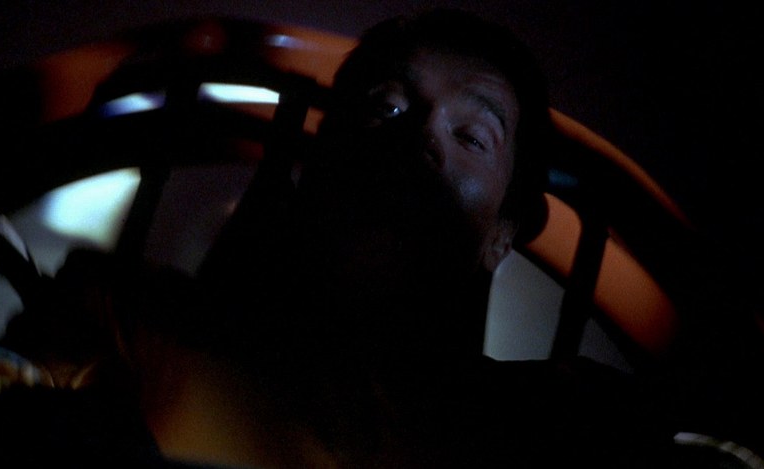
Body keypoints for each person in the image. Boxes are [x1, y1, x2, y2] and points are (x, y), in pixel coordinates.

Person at [194, 7, 687, 469]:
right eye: (387, 107)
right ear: (321, 155)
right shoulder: (173, 345)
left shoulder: (568, 422)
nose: (422, 135)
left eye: (472, 137)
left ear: (504, 231)